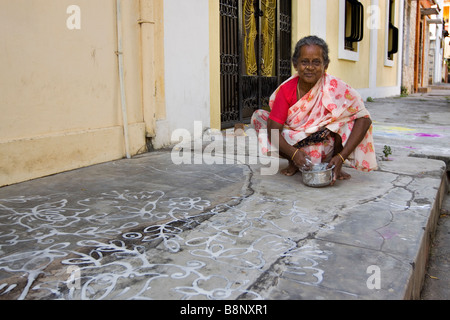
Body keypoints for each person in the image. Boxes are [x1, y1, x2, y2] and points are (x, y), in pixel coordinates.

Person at [251, 36, 377, 185]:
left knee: (345, 121)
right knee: (260, 118)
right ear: (295, 64)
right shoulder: (287, 90)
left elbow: (364, 118)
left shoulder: (335, 87)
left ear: (326, 65)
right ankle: (295, 162)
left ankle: (334, 164)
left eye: (316, 62)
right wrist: (293, 154)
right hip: (295, 144)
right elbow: (273, 130)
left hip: (326, 146)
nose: (310, 67)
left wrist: (341, 157)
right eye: (304, 62)